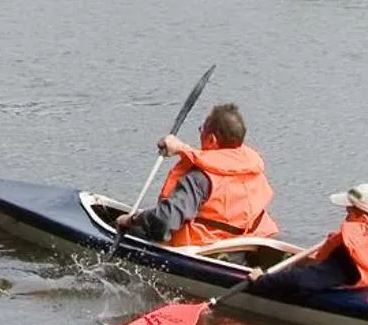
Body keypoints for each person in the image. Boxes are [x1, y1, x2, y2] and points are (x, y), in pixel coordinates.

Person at [113, 102, 277, 248]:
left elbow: (164, 221)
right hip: (244, 245)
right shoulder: (251, 169)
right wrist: (180, 148)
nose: (200, 134)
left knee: (127, 228)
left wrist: (131, 220)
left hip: (204, 247)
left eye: (202, 130)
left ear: (211, 139)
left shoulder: (200, 178)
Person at [267, 183, 368, 294]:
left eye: (349, 212)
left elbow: (303, 282)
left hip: (366, 301)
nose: (346, 215)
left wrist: (262, 280)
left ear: (365, 220)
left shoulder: (349, 254)